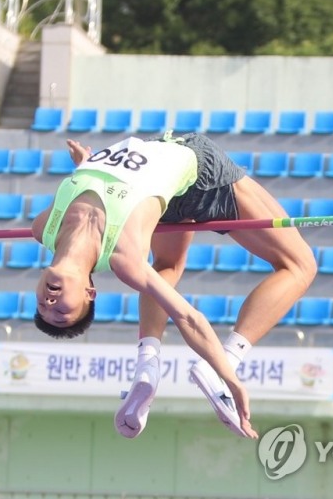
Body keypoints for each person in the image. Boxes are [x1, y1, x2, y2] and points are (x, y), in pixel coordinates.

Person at [30, 132, 316, 440]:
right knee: (301, 265)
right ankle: (229, 358)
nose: (49, 303)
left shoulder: (44, 227)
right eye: (60, 311)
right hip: (197, 170)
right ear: (89, 292)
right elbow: (187, 318)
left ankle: (147, 364)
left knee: (167, 265)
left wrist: (85, 166)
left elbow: (90, 188)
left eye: (42, 308)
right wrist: (228, 376)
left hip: (161, 187)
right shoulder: (126, 256)